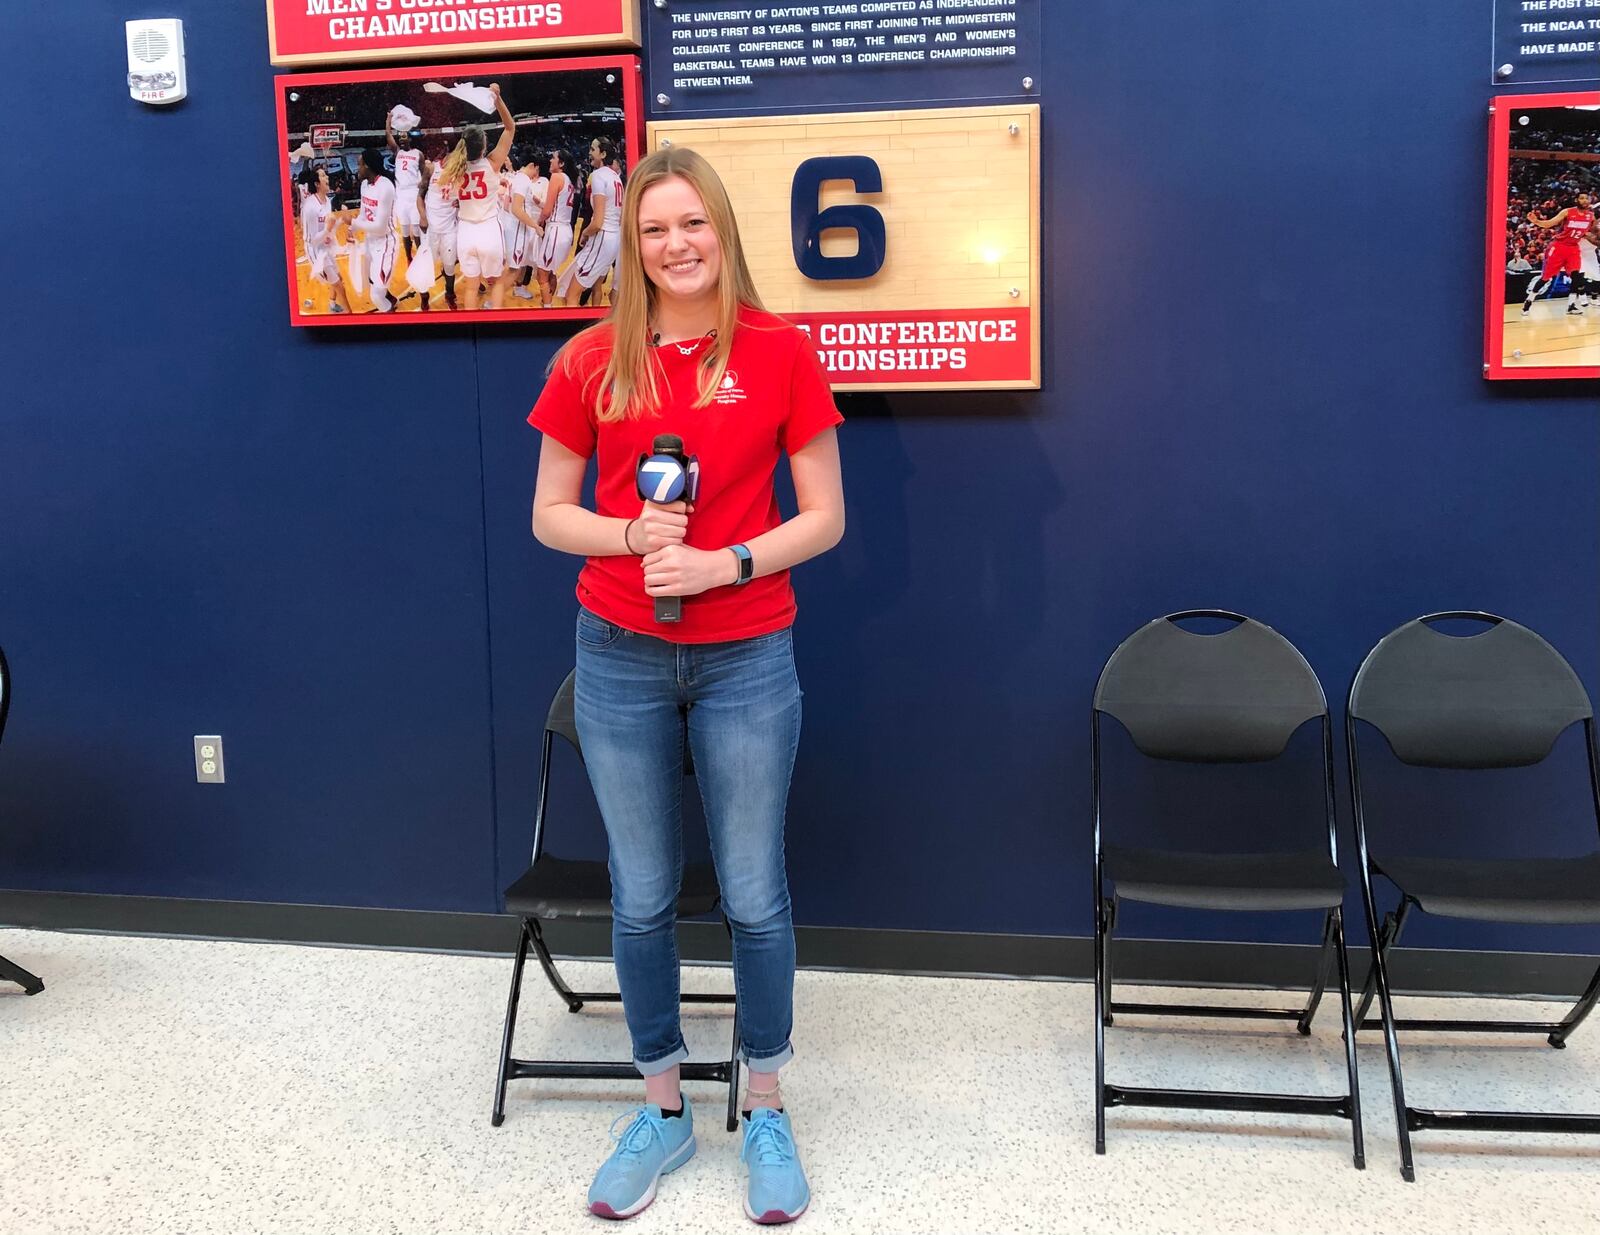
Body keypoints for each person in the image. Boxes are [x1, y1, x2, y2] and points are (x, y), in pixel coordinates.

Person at [527, 146, 845, 1225]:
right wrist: (629, 534)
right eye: (655, 229)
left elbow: (824, 515)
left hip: (748, 649)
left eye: (692, 224)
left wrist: (727, 560)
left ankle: (762, 1104)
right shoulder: (588, 358)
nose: (676, 244)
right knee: (643, 890)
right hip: (617, 648)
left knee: (754, 890)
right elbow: (549, 513)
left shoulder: (780, 351)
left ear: (722, 230)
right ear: (635, 245)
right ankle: (660, 1105)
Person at [437, 83, 517, 310]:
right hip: (488, 230)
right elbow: (510, 128)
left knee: (471, 288)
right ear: (483, 147)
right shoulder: (492, 164)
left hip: (466, 233)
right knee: (497, 282)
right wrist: (498, 99)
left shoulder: (454, 170)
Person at [556, 137, 623, 307]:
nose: (589, 153)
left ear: (603, 154)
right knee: (579, 287)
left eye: (593, 149)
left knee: (571, 295)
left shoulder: (598, 176)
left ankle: (578, 333)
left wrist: (585, 234)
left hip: (601, 238)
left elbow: (598, 221)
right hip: (613, 238)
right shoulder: (616, 178)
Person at [1520, 190, 1595, 316]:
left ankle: (1571, 306)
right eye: (1581, 198)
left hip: (1573, 248)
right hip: (1559, 247)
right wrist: (1536, 221)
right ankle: (1528, 302)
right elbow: (1549, 224)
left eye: (1587, 198)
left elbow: (1590, 233)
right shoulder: (1567, 212)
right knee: (1545, 278)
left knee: (1576, 275)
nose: (1585, 201)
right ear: (1576, 200)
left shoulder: (1591, 216)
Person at [298, 165, 351, 314]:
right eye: (323, 176)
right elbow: (312, 241)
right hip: (315, 250)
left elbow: (329, 228)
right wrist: (328, 229)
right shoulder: (310, 207)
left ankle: (332, 305)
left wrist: (341, 220)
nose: (327, 178)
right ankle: (350, 315)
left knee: (338, 278)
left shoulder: (327, 201)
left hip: (325, 246)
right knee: (339, 285)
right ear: (316, 184)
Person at [354, 147, 398, 312]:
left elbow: (380, 228)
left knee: (375, 296)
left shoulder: (386, 187)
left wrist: (354, 222)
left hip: (386, 243)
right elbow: (362, 214)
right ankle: (391, 298)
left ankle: (390, 315)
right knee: (370, 278)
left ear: (367, 166)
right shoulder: (364, 185)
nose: (357, 169)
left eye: (359, 165)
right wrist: (353, 227)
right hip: (370, 241)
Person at [533, 147, 577, 308]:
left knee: (542, 274)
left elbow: (548, 210)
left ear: (561, 163)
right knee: (550, 270)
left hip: (556, 231)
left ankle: (547, 308)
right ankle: (548, 302)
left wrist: (538, 222)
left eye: (553, 158)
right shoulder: (568, 180)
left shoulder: (557, 177)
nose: (550, 160)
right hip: (564, 230)